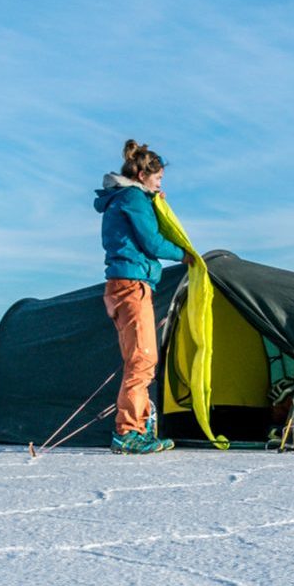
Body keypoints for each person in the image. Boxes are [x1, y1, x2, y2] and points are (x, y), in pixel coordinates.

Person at [93, 139, 193, 454]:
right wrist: (184, 255)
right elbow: (151, 241)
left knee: (139, 358)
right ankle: (128, 432)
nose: (160, 184)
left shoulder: (127, 199)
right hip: (132, 285)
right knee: (143, 358)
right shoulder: (133, 199)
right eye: (158, 179)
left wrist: (154, 203)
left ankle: (140, 427)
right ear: (142, 174)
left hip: (123, 285)